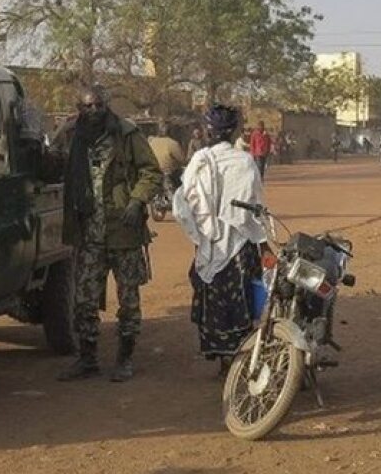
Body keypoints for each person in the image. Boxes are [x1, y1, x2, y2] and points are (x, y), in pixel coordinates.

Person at [53, 86, 161, 383]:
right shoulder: (71, 135)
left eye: (99, 105)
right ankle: (87, 359)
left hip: (123, 231)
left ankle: (125, 358)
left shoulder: (126, 133)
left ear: (107, 105)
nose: (94, 111)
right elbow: (52, 164)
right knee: (84, 300)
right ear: (79, 107)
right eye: (87, 107)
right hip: (88, 234)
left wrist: (136, 201)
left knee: (128, 300)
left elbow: (151, 171)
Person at [173, 105, 268, 375]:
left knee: (213, 301)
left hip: (209, 244)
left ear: (207, 131)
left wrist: (200, 234)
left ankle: (224, 359)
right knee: (241, 301)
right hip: (240, 245)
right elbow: (256, 207)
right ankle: (237, 359)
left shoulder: (199, 161)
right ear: (235, 131)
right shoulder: (245, 162)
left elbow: (183, 205)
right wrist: (263, 243)